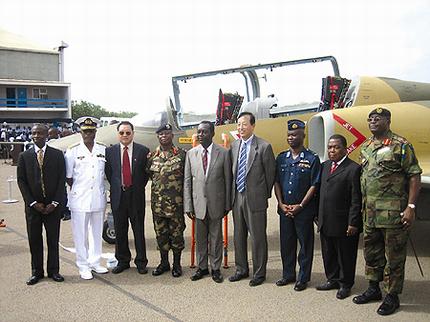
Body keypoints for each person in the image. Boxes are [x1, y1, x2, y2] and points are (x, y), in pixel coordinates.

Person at [353, 108, 422, 315]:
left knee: (394, 256)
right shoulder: (365, 146)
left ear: (388, 121)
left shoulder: (401, 145)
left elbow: (414, 175)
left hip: (393, 213)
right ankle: (373, 288)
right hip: (370, 214)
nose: (373, 121)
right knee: (371, 253)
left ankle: (392, 296)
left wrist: (410, 207)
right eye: (370, 119)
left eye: (378, 118)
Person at [229, 112, 275, 287]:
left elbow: (270, 174)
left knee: (257, 237)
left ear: (253, 126)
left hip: (255, 198)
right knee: (238, 235)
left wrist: (262, 194)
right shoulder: (234, 146)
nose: (241, 128)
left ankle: (259, 272)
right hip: (237, 197)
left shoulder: (264, 146)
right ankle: (241, 269)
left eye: (244, 124)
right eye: (238, 125)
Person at [274, 119, 321, 291]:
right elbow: (277, 182)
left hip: (303, 210)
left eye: (295, 135)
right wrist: (281, 203)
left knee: (305, 245)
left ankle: (303, 278)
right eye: (289, 135)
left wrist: (300, 205)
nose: (291, 138)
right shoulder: (281, 158)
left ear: (303, 135)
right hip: (285, 209)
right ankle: (288, 275)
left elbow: (314, 185)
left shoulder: (312, 158)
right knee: (286, 244)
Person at [17, 124, 65, 285]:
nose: (36, 136)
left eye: (40, 133)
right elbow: (21, 181)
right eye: (34, 133)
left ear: (47, 135)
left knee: (53, 239)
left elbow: (61, 180)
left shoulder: (57, 155)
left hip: (52, 206)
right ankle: (36, 272)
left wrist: (55, 202)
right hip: (33, 208)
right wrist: (32, 202)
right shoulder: (24, 156)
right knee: (34, 240)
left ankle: (54, 271)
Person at [184, 121, 231, 283]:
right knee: (200, 238)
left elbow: (227, 181)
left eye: (204, 132)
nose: (200, 135)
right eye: (199, 132)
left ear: (212, 134)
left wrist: (227, 204)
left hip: (217, 204)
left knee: (216, 238)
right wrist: (188, 205)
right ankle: (202, 267)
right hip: (198, 205)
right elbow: (187, 181)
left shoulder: (223, 153)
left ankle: (215, 268)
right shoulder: (191, 154)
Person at [316, 134, 362, 299]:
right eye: (329, 147)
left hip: (344, 222)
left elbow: (356, 199)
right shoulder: (325, 166)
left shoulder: (353, 169)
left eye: (336, 147)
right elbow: (320, 193)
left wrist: (353, 222)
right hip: (326, 220)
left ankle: (345, 284)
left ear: (345, 149)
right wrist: (317, 216)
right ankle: (332, 279)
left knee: (346, 255)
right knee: (328, 253)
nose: (332, 150)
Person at [65, 117, 108, 280]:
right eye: (85, 131)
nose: (88, 134)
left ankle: (95, 262)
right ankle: (83, 265)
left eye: (91, 131)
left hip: (98, 197)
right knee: (80, 234)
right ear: (80, 132)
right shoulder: (73, 150)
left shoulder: (102, 149)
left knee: (96, 233)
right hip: (80, 198)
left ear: (96, 131)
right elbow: (69, 177)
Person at [105, 121, 150, 275]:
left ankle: (141, 262)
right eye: (122, 133)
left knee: (138, 230)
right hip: (119, 196)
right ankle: (123, 260)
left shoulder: (143, 151)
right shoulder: (109, 152)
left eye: (128, 133)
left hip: (135, 195)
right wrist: (120, 186)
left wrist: (134, 187)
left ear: (133, 133)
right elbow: (110, 173)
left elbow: (145, 175)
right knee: (120, 230)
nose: (125, 135)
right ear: (118, 134)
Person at [147, 123, 187, 277]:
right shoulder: (152, 157)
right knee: (161, 236)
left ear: (172, 135)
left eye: (167, 133)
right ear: (158, 136)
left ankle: (177, 265)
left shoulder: (182, 155)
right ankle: (164, 263)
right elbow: (149, 175)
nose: (164, 136)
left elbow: (186, 179)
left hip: (176, 206)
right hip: (158, 206)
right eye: (161, 134)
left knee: (177, 236)